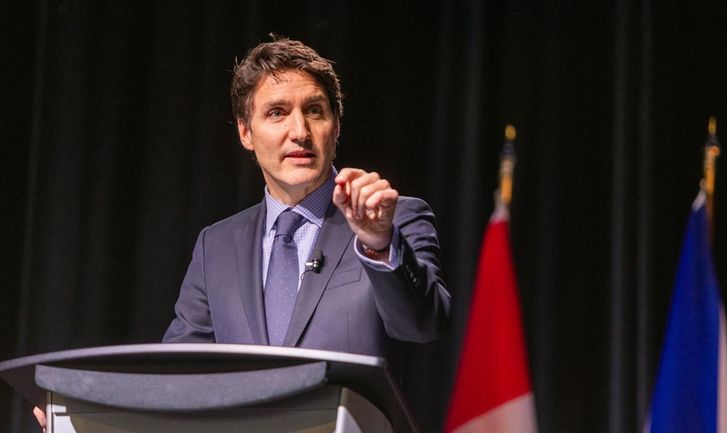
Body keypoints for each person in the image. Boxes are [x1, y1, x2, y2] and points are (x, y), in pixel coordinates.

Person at [33, 34, 451, 430]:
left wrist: (378, 244)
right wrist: (93, 420)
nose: (300, 132)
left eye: (315, 110)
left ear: (335, 126)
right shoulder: (216, 245)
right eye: (277, 113)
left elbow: (423, 325)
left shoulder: (392, 221)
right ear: (245, 132)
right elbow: (177, 378)